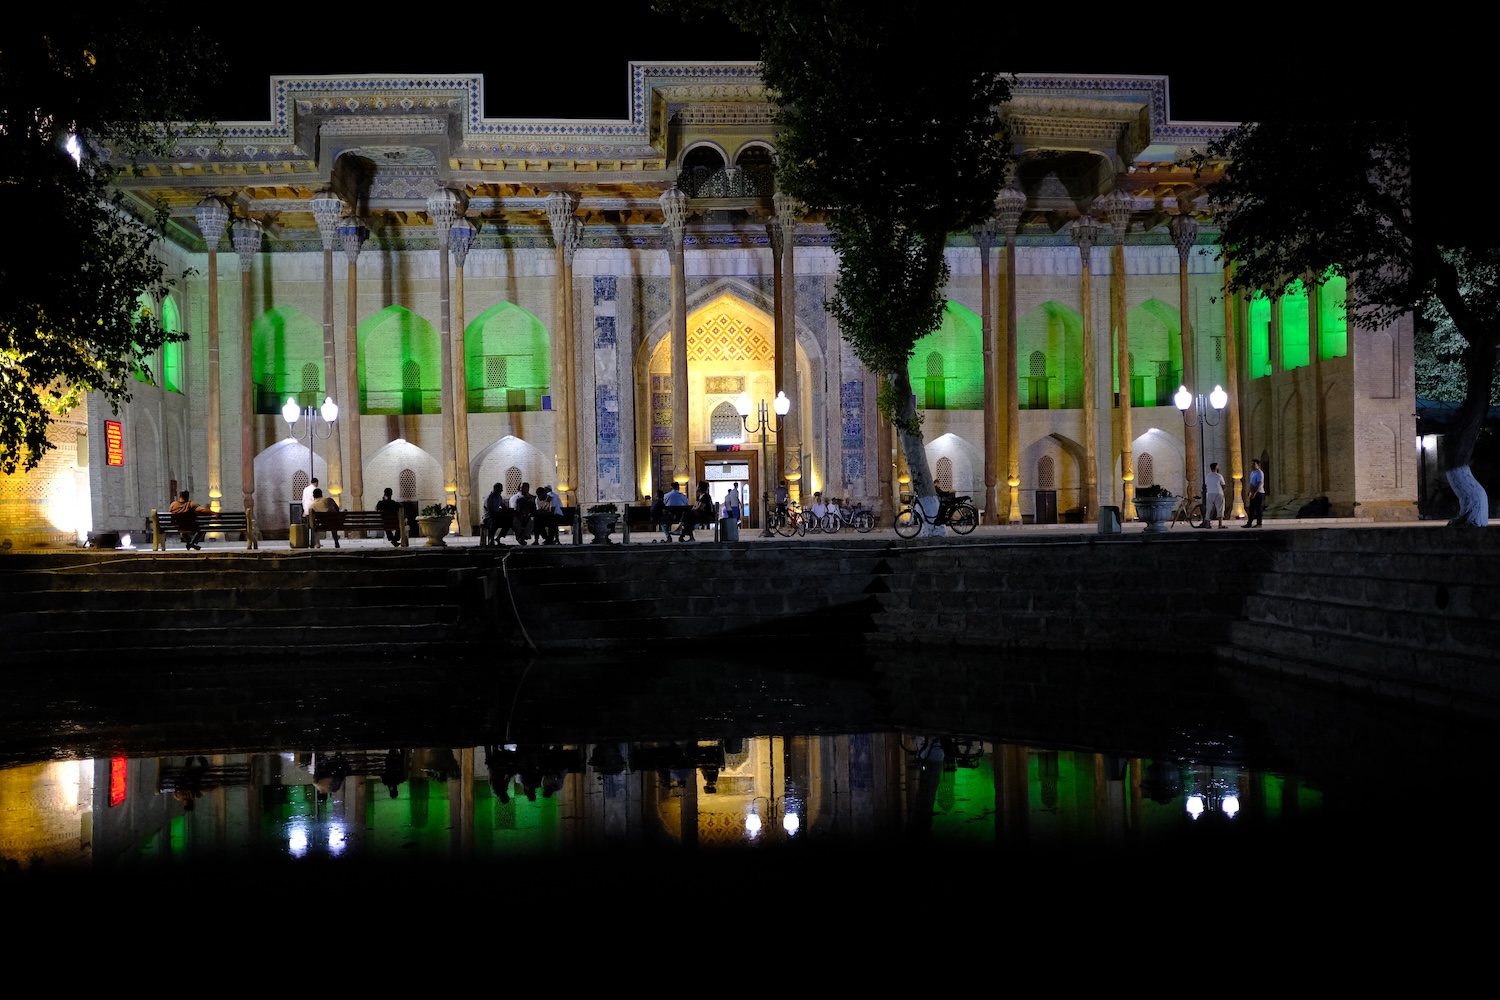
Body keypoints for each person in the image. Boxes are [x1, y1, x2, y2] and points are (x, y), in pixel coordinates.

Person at [1244, 459, 1265, 528]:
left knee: (1258, 508)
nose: (1252, 466)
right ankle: (1249, 523)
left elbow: (1259, 483)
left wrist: (1255, 492)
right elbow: (1251, 483)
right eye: (1251, 464)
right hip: (1253, 492)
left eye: (1254, 464)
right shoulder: (1253, 472)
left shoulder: (1260, 472)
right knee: (1251, 508)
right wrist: (1250, 491)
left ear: (1258, 465)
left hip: (1258, 493)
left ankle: (1259, 523)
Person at [1205, 462, 1227, 529]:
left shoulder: (1207, 476)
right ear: (1216, 467)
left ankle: (1208, 524)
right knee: (1220, 509)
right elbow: (1223, 485)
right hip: (1218, 493)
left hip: (1209, 493)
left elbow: (1206, 484)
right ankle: (1220, 524)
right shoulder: (1219, 476)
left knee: (1209, 509)